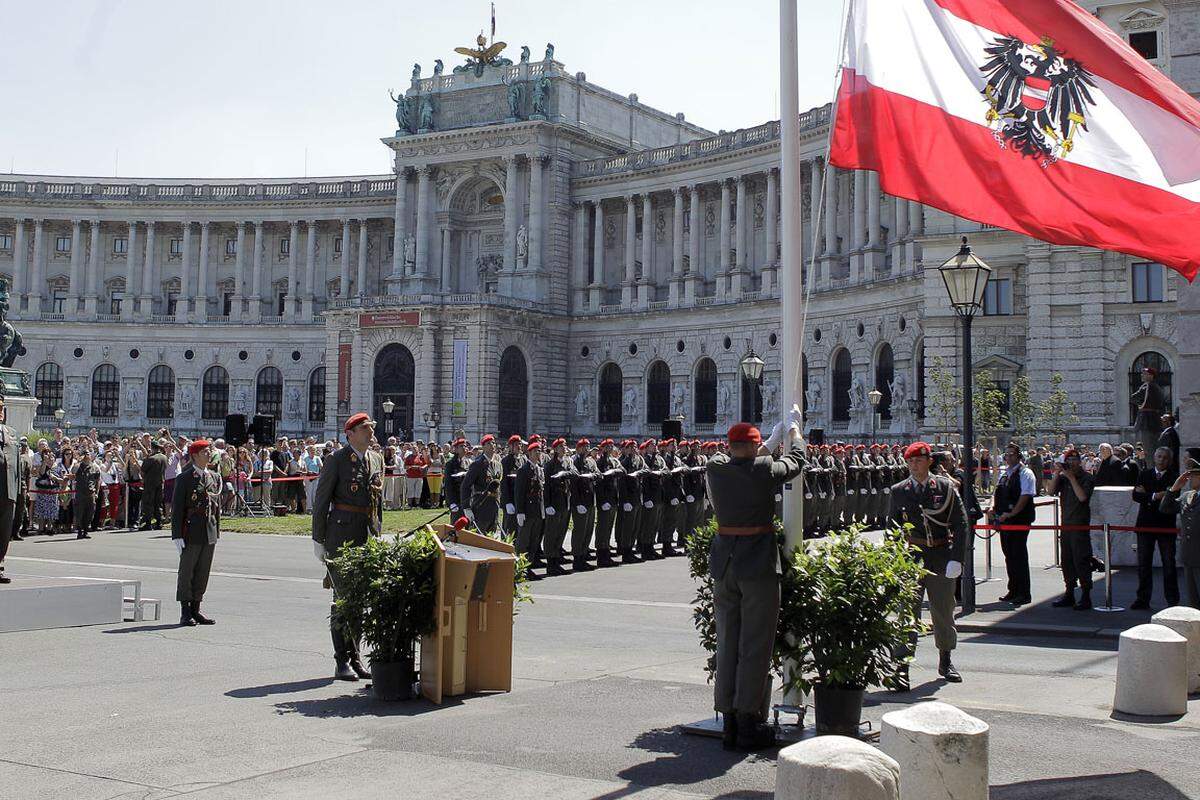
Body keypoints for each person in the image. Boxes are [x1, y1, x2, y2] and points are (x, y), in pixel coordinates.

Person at [705, 415, 804, 751]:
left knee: (728, 642)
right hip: (757, 566)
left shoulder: (716, 468)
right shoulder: (764, 470)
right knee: (754, 645)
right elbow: (797, 461)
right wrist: (793, 432)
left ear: (730, 446)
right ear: (754, 446)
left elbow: (739, 457)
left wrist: (766, 443)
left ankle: (729, 722)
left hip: (725, 566)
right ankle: (748, 721)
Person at [889, 441, 968, 687]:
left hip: (940, 554)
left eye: (919, 460)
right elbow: (892, 527)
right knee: (906, 613)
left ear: (929, 461)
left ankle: (946, 659)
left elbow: (961, 523)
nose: (915, 465)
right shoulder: (899, 490)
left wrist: (957, 557)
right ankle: (902, 666)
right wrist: (891, 559)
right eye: (911, 461)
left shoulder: (944, 488)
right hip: (912, 554)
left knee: (943, 610)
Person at [311, 413, 384, 681]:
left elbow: (377, 502)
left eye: (371, 429)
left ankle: (356, 657)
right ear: (350, 434)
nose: (370, 433)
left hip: (365, 535)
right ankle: (341, 660)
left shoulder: (376, 459)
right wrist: (318, 539)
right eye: (365, 429)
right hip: (340, 536)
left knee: (360, 600)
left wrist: (377, 530)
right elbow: (321, 501)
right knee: (343, 600)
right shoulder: (337, 460)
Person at [172, 440, 221, 626]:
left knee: (202, 571)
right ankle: (185, 611)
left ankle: (196, 608)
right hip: (191, 530)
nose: (209, 454)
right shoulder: (184, 478)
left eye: (209, 451)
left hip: (209, 529)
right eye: (204, 451)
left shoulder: (214, 477)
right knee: (187, 571)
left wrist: (217, 530)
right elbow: (177, 508)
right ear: (194, 455)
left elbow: (216, 508)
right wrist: (176, 534)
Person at [1131, 446, 1180, 610]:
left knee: (1169, 564)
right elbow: (1136, 496)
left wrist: (1148, 495)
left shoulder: (1174, 477)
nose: (1161, 460)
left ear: (1170, 460)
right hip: (1145, 525)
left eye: (1165, 457)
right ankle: (1142, 599)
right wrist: (1154, 496)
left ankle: (1172, 600)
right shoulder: (1144, 474)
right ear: (1154, 457)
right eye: (1159, 456)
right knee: (1144, 564)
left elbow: (1171, 498)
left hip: (1165, 525)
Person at [1048, 448, 1096, 610]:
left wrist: (1071, 478)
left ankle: (1085, 595)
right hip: (1066, 525)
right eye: (1068, 461)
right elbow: (1050, 491)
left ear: (1080, 462)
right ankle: (1069, 592)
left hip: (1080, 525)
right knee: (1067, 561)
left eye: (1074, 461)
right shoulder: (1064, 478)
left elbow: (1082, 497)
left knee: (1081, 560)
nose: (1071, 464)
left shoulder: (1086, 477)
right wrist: (1057, 473)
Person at [990, 442, 1037, 607]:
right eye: (1006, 455)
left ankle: (1024, 593)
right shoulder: (1006, 474)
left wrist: (1012, 513)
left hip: (1019, 520)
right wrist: (992, 509)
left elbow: (1025, 496)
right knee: (1009, 555)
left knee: (1019, 556)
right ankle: (1013, 589)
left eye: (1011, 454)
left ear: (1019, 456)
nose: (1008, 457)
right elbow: (997, 492)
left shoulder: (1026, 473)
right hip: (1005, 520)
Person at [1160, 448, 1200, 609]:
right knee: (1193, 603)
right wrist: (1174, 488)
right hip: (1189, 555)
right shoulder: (1187, 496)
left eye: (1194, 475)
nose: (1189, 478)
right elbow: (1165, 508)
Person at [513, 440, 547, 577]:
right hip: (527, 510)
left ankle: (529, 566)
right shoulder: (523, 470)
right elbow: (519, 492)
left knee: (534, 541)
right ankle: (519, 569)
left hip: (538, 510)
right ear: (530, 453)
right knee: (523, 542)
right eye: (536, 451)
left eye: (540, 451)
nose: (539, 454)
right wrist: (520, 511)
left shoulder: (539, 469)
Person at [461, 434, 504, 534]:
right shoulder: (478, 464)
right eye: (489, 443)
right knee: (479, 536)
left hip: (494, 505)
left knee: (491, 536)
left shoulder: (498, 464)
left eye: (493, 443)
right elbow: (466, 486)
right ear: (483, 447)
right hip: (481, 505)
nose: (492, 445)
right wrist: (466, 507)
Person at [0, 392, 18, 583]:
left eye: (1, 409)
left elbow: (16, 465)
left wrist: (17, 490)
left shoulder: (11, 433)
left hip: (8, 491)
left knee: (4, 531)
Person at [1132, 366, 1165, 464]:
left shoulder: (1147, 386)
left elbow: (1134, 398)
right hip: (1153, 420)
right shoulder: (1156, 387)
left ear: (1151, 376)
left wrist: (1140, 402)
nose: (1142, 375)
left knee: (1148, 451)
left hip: (1146, 421)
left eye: (1145, 374)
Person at [72, 450, 102, 540]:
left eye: (88, 454)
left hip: (91, 493)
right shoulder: (78, 466)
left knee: (90, 513)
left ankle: (86, 530)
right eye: (85, 454)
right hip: (80, 493)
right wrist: (79, 461)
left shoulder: (95, 467)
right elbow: (73, 472)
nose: (86, 456)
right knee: (80, 513)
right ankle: (80, 530)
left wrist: (96, 493)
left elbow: (97, 481)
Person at [140, 441, 168, 529]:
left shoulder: (151, 458)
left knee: (148, 502)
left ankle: (148, 523)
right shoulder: (164, 457)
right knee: (158, 503)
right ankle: (159, 522)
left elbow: (143, 471)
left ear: (152, 448)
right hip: (160, 482)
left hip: (150, 483)